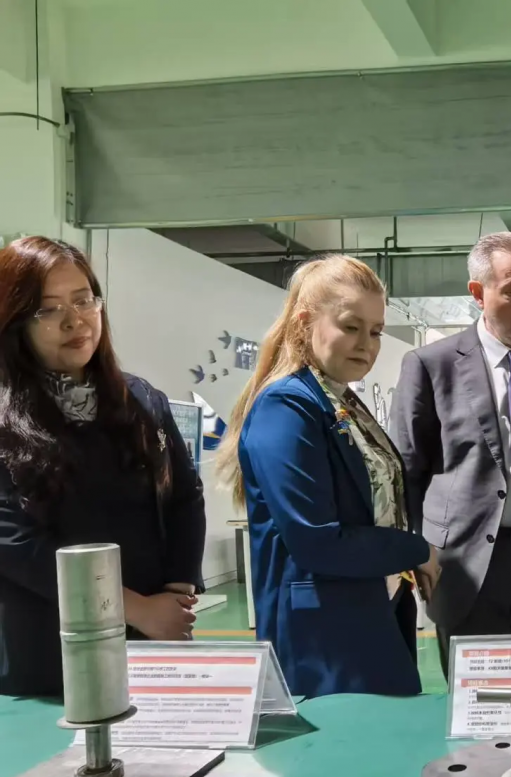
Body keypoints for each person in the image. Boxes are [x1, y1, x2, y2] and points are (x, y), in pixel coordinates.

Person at [217, 255, 437, 698]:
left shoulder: (338, 399)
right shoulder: (286, 406)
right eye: (351, 327)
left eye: (376, 331)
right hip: (325, 633)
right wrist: (416, 550)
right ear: (304, 323)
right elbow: (316, 540)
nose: (366, 344)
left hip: (370, 609)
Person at [0, 237, 203, 697]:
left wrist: (176, 592)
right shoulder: (7, 417)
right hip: (47, 649)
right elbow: (16, 545)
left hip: (149, 639)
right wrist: (134, 609)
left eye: (83, 300)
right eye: (48, 309)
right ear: (15, 323)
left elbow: (184, 496)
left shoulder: (141, 399)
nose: (75, 320)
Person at [390, 232, 511, 675]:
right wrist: (420, 549)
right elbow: (407, 469)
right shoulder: (431, 365)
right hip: (462, 564)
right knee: (474, 695)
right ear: (478, 293)